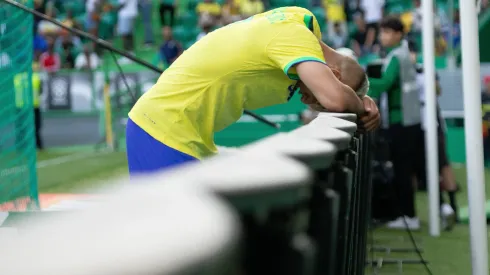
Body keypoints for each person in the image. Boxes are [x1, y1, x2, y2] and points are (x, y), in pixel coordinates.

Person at [126, 7, 380, 176]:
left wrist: (358, 97)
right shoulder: (294, 37)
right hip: (161, 129)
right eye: (316, 102)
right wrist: (363, 108)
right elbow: (335, 97)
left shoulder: (297, 26)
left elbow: (335, 94)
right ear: (333, 75)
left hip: (179, 132)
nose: (308, 101)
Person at [367, 16, 422, 230]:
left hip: (402, 121)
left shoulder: (397, 56)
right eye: (382, 32)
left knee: (402, 170)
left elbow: (386, 83)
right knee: (404, 169)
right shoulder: (402, 54)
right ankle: (407, 215)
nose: (383, 36)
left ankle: (408, 216)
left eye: (387, 32)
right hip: (408, 119)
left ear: (399, 34)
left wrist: (360, 81)